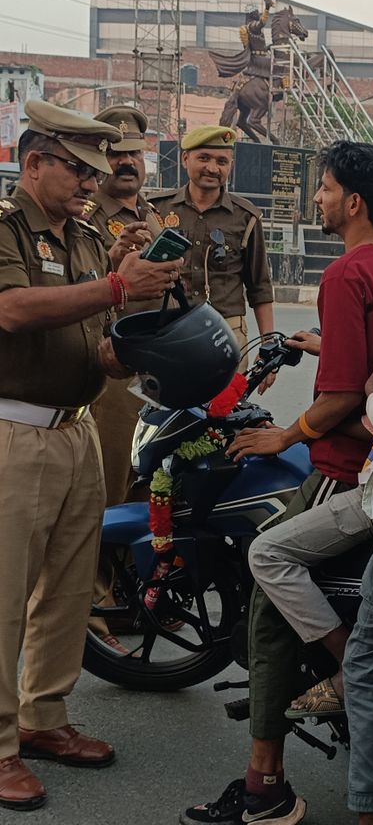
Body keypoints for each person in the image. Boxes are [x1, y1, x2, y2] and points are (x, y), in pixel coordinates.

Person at [182, 141, 373, 825]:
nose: (314, 199)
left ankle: (266, 784)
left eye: (322, 189)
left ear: (351, 202)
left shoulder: (344, 272)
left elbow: (343, 396)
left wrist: (284, 434)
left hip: (345, 468)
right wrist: (322, 345)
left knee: (267, 599)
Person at [0, 101, 181, 812]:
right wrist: (114, 286)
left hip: (75, 430)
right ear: (34, 159)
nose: (90, 183)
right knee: (6, 596)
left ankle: (43, 719)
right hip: (14, 432)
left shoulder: (80, 236)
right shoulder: (7, 228)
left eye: (95, 171)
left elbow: (101, 346)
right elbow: (12, 310)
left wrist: (135, 316)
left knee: (70, 590)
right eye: (76, 168)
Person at [80, 105, 166, 651]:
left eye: (134, 152)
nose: (127, 162)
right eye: (116, 154)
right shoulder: (89, 216)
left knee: (147, 485)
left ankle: (138, 597)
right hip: (112, 367)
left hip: (157, 369)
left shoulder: (155, 216)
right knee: (108, 489)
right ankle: (96, 606)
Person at [150, 125, 274, 363]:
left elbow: (260, 286)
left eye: (221, 161)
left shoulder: (245, 217)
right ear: (185, 159)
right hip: (169, 327)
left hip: (226, 331)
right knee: (166, 400)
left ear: (231, 166)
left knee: (225, 401)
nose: (212, 168)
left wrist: (268, 345)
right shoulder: (157, 209)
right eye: (203, 158)